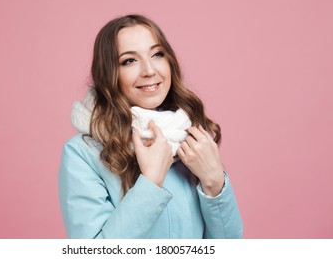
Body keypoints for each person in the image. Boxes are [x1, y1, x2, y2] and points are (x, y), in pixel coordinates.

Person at [59, 14, 243, 239]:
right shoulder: (83, 153)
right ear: (108, 75)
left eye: (157, 54)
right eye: (129, 60)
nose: (149, 70)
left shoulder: (190, 138)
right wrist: (151, 182)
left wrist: (215, 182)